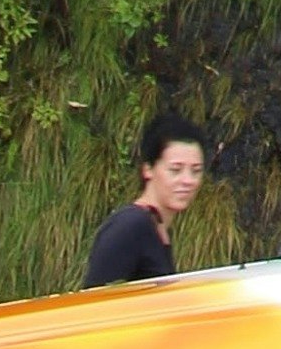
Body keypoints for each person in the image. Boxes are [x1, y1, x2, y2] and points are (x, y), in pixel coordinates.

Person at [84, 114, 208, 288]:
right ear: (148, 169)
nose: (188, 180)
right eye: (175, 170)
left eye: (195, 171)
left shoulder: (155, 226)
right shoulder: (131, 225)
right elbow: (94, 300)